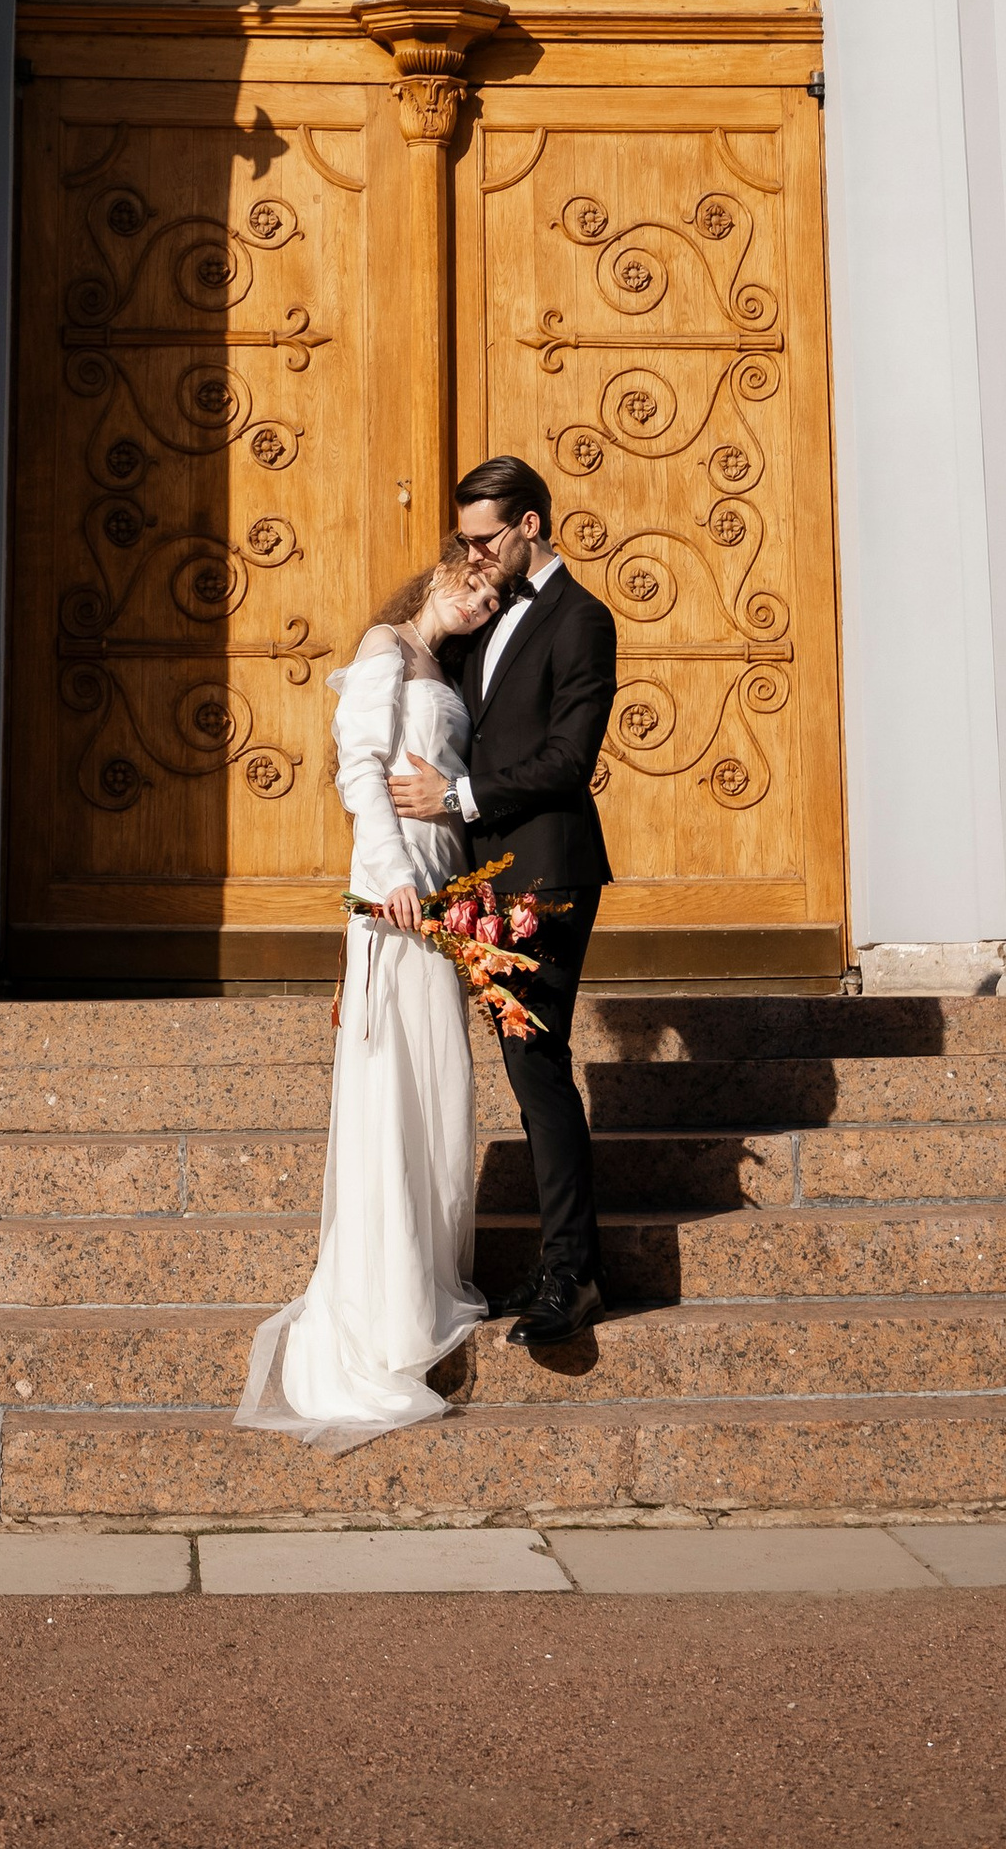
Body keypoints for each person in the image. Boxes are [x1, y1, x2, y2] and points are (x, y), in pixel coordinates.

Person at [236, 538, 504, 1446]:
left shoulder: (447, 669)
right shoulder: (386, 647)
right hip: (397, 894)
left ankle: (426, 1279)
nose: (481, 601)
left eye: (494, 595)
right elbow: (360, 767)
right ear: (438, 569)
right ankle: (381, 1313)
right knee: (395, 1083)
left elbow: (447, 784)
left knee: (441, 1084)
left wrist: (456, 811)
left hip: (446, 887)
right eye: (474, 583)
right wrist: (389, 872)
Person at [388, 453, 617, 1346]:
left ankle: (574, 1275)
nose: (471, 555)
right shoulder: (484, 617)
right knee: (519, 1065)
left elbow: (569, 757)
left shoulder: (582, 619)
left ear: (530, 525)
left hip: (547, 875)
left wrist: (460, 801)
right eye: (463, 539)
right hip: (471, 879)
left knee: (535, 1063)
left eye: (485, 538)